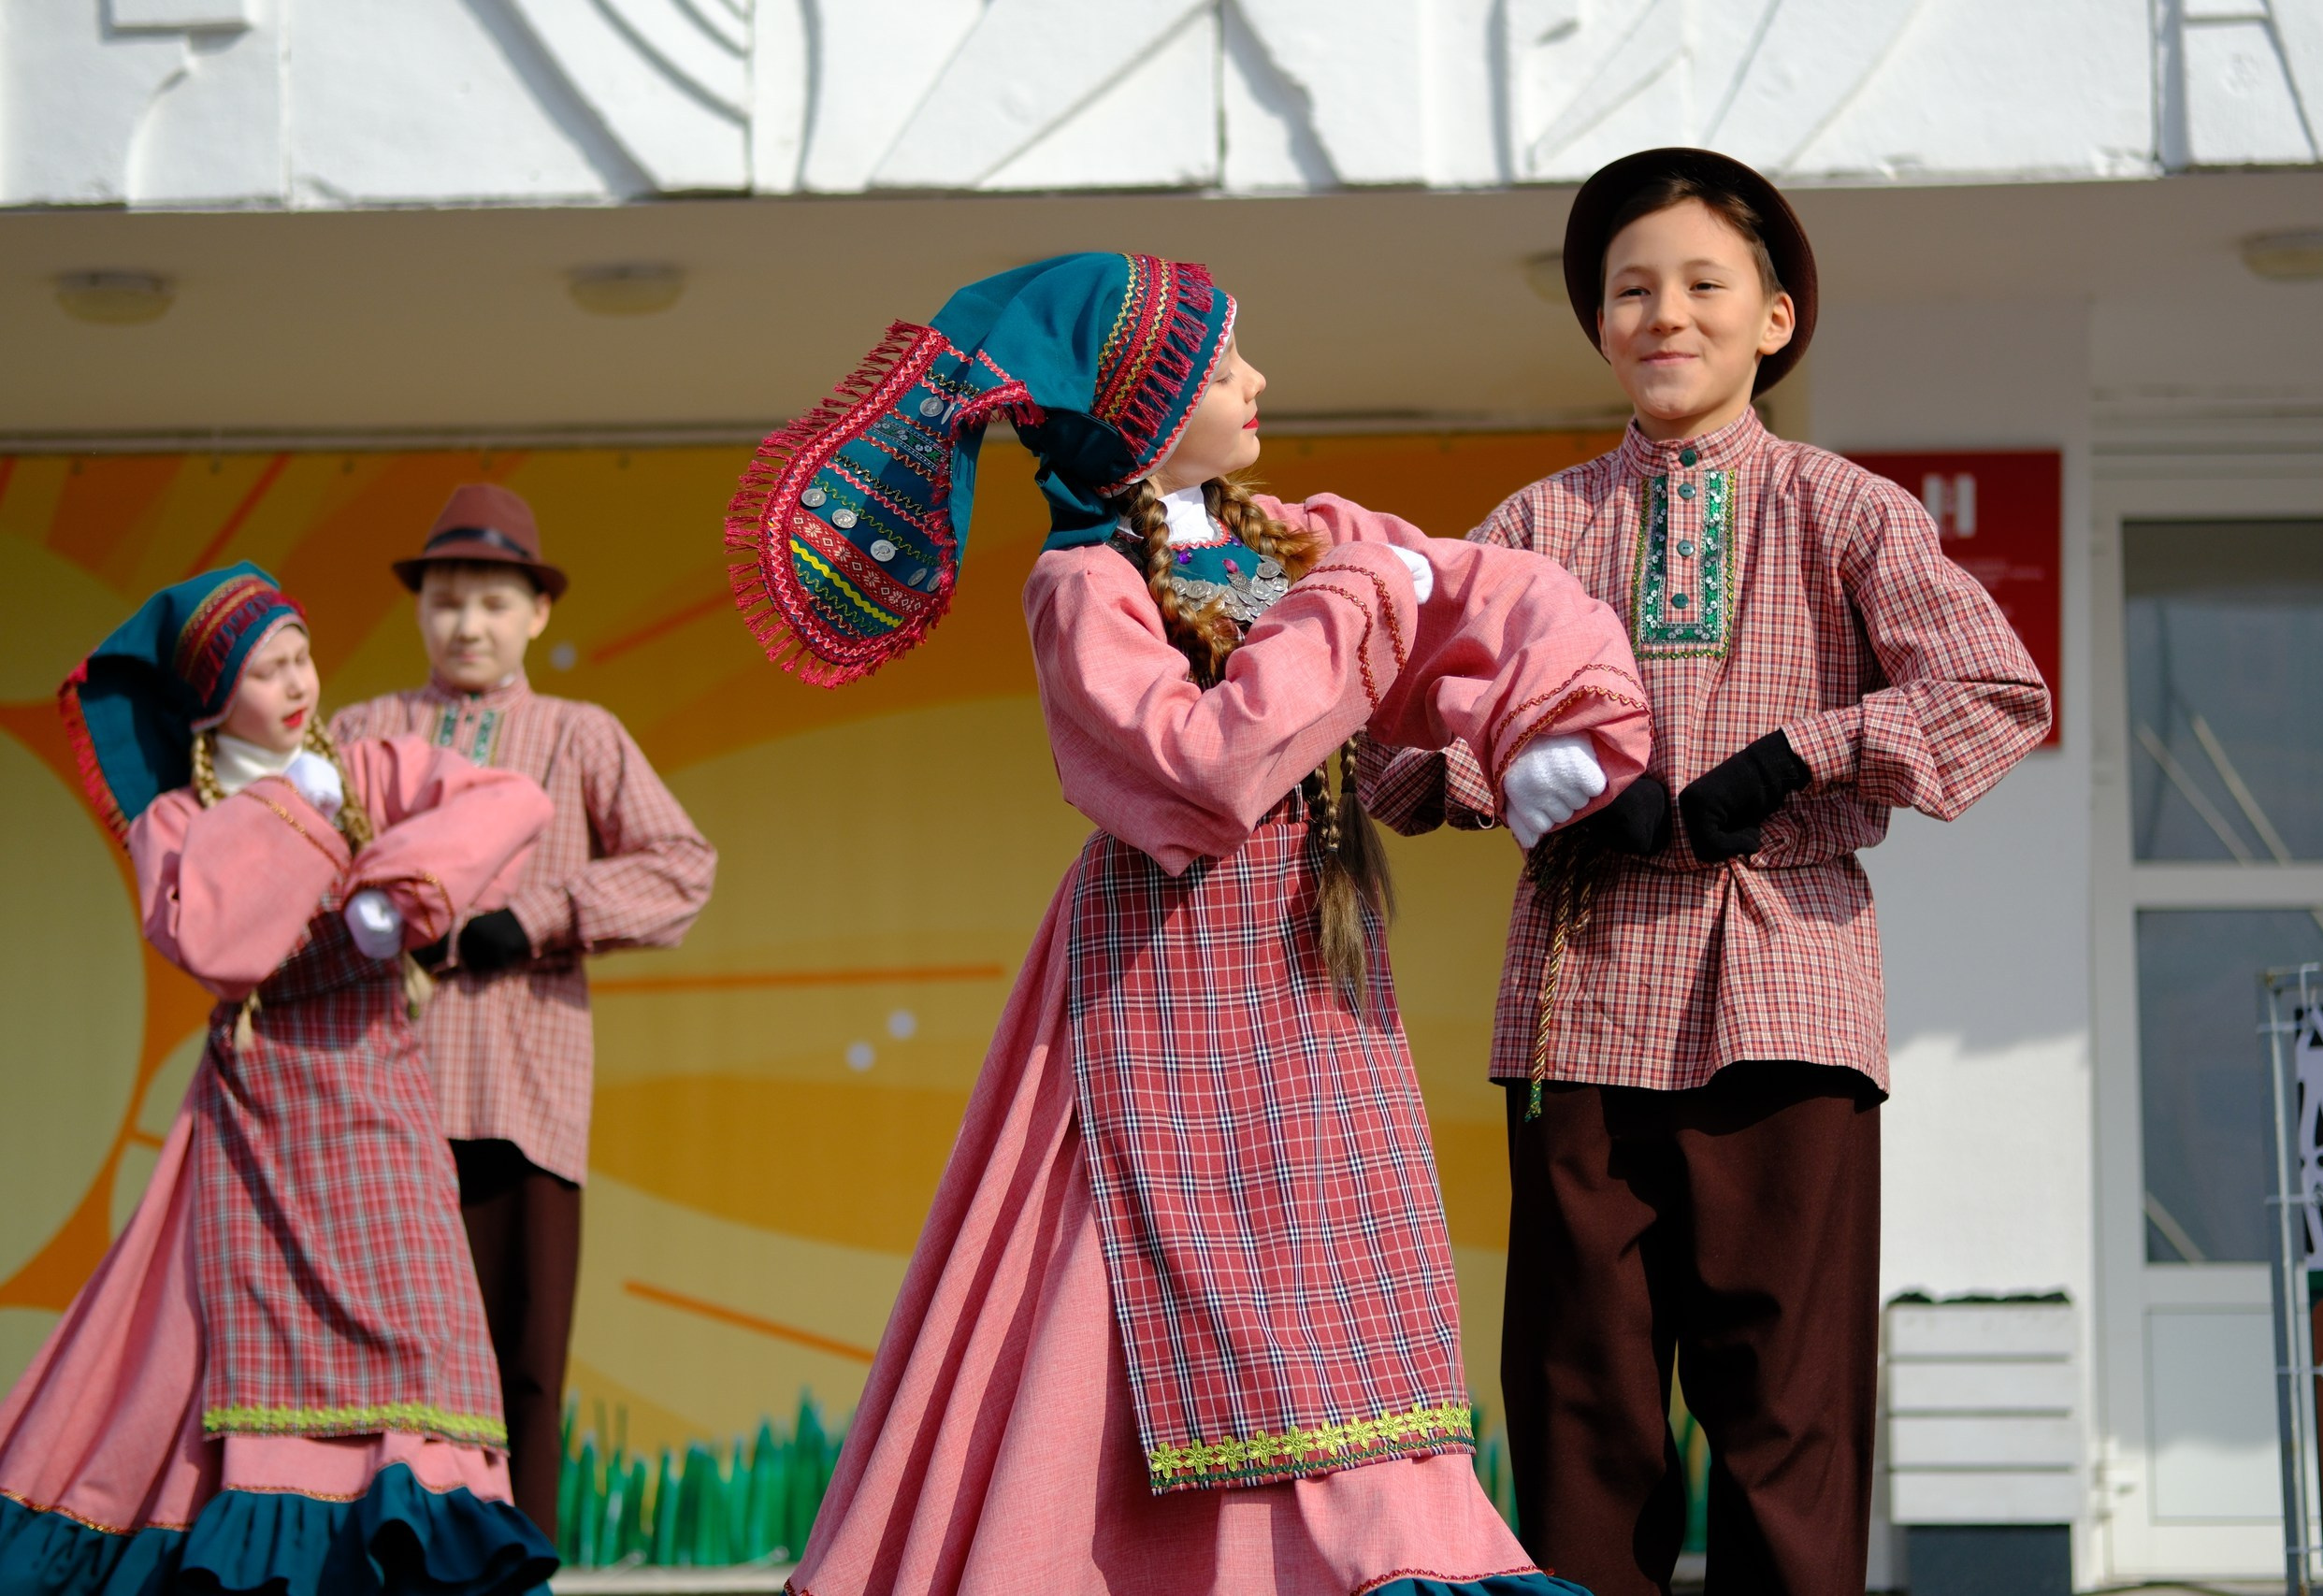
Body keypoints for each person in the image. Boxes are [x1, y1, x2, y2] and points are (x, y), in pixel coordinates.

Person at [719, 252, 1653, 1596]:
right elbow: (1202, 772)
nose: (1257, 380)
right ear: (1143, 411)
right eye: (1221, 366)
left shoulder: (1286, 534)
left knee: (1340, 1265)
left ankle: (1384, 1546)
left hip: (1312, 972)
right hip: (1166, 968)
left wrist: (1550, 709)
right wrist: (1357, 601)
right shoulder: (1086, 584)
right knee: (1139, 1267)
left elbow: (1491, 589)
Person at [1360, 149, 2054, 1595]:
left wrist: (1804, 753)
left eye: (1700, 283)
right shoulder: (1537, 529)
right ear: (1599, 325)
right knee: (1577, 1406)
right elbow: (1402, 741)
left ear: (1777, 317)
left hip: (1787, 990)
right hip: (1579, 998)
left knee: (1782, 1412)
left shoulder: (1846, 507)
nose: (1663, 313)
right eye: (1629, 289)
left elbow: (1996, 690)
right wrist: (1542, 779)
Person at [0, 564, 559, 1594]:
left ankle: (410, 1549)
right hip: (261, 1116)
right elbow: (215, 941)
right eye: (268, 670)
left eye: (301, 655)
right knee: (235, 1349)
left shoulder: (366, 767)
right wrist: (290, 816)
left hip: (379, 1098)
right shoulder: (180, 819)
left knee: (424, 1338)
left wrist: (402, 885)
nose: (299, 683)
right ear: (217, 698)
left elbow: (511, 800)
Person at [330, 486, 716, 1538]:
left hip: (520, 1097)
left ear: (536, 615)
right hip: (375, 1097)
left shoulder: (577, 734)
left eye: (493, 603)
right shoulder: (363, 734)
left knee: (521, 1362)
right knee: (372, 1360)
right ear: (419, 609)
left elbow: (682, 867)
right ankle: (372, 1562)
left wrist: (540, 916)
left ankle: (513, 1568)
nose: (467, 625)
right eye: (449, 599)